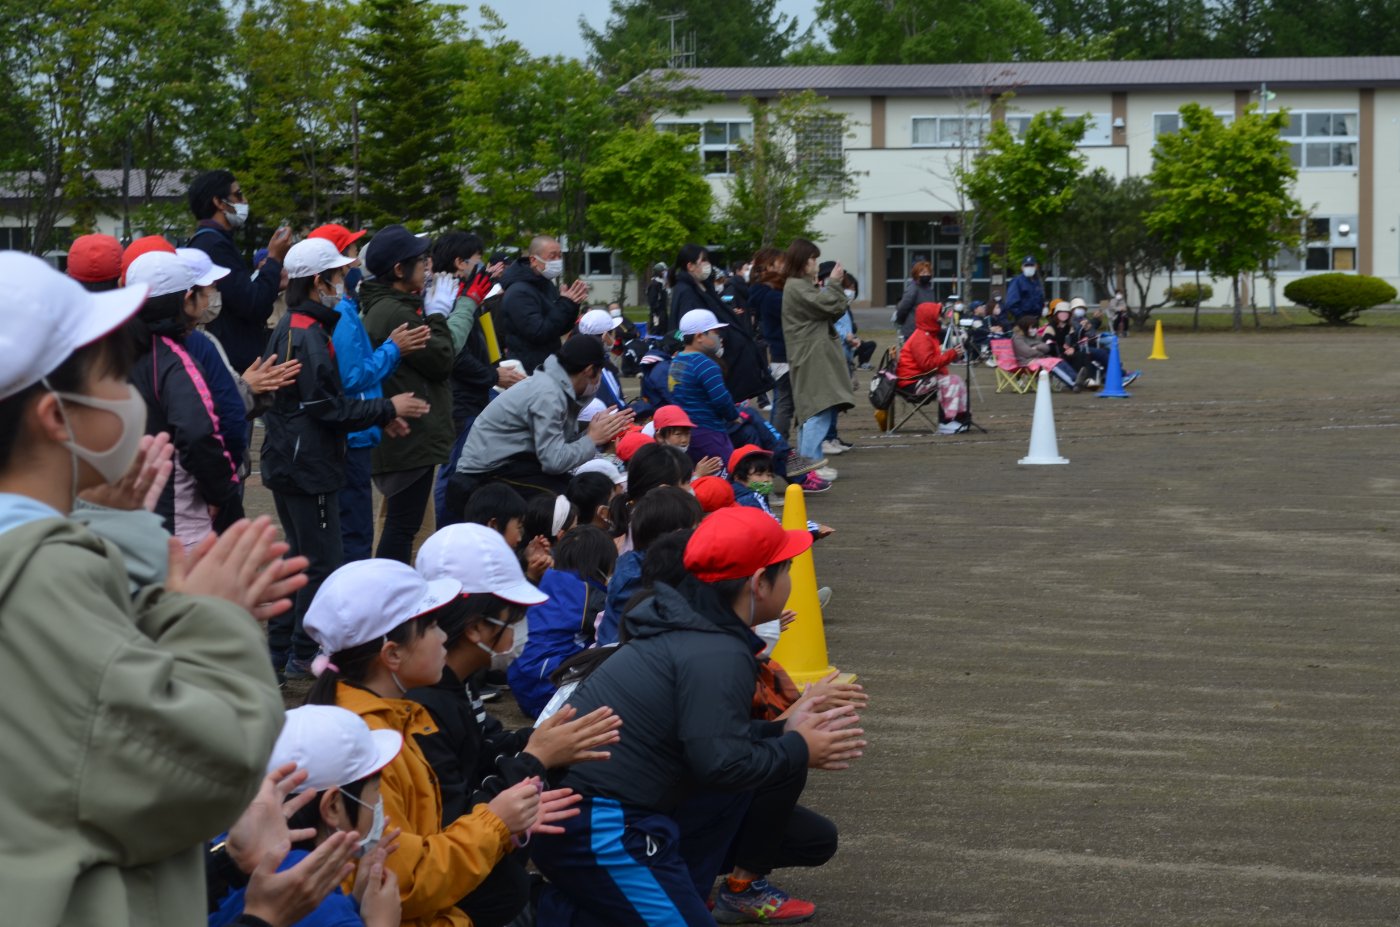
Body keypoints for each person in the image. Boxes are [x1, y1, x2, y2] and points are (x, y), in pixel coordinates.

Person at [0, 251, 299, 926]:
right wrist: (213, 617)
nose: (133, 395)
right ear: (56, 417)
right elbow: (206, 767)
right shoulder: (39, 576)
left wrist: (115, 525)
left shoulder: (47, 554)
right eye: (114, 376)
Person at [529, 508, 866, 926]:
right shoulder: (716, 650)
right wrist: (799, 745)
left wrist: (783, 729)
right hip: (600, 826)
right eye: (787, 570)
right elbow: (722, 764)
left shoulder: (693, 628)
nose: (791, 581)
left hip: (590, 816)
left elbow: (711, 740)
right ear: (759, 583)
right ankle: (531, 912)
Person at [304, 558, 578, 927]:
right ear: (392, 654)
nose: (444, 636)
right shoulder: (366, 745)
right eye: (430, 626)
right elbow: (404, 880)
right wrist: (496, 823)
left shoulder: (395, 714)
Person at [410, 524, 621, 927]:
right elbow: (448, 820)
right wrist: (535, 758)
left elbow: (480, 746)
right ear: (475, 627)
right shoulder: (424, 704)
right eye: (515, 616)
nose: (522, 628)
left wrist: (540, 739)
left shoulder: (456, 682)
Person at [261, 237, 429, 678]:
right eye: (337, 276)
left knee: (301, 557)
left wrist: (378, 416)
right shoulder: (310, 334)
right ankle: (297, 652)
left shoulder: (295, 325)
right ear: (318, 283)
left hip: (293, 462)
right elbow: (328, 408)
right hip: (309, 471)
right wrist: (388, 407)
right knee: (321, 560)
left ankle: (281, 652)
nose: (344, 282)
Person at [208, 705, 405, 927]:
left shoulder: (228, 852)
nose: (379, 803)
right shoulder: (318, 903)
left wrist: (354, 903)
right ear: (333, 807)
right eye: (376, 791)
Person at [308, 224, 432, 562]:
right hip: (352, 439)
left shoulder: (344, 307)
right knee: (355, 535)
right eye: (349, 252)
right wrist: (393, 349)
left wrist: (382, 413)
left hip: (359, 430)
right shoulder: (341, 313)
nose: (354, 260)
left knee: (353, 531)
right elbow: (351, 376)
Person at [124, 250, 245, 545]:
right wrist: (221, 491)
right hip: (176, 518)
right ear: (188, 299)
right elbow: (197, 432)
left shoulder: (112, 351)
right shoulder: (174, 361)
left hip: (124, 513)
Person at [356, 225, 454, 563]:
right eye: (421, 260)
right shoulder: (395, 312)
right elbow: (442, 360)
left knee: (402, 522)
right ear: (399, 270)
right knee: (402, 526)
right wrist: (439, 314)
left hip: (406, 436)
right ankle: (390, 592)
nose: (427, 267)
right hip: (409, 435)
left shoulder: (388, 306)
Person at [452, 336, 633, 501]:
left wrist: (589, 430)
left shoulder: (558, 386)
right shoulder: (549, 394)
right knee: (565, 503)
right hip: (486, 472)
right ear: (588, 370)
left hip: (516, 462)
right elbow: (554, 461)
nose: (599, 380)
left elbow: (556, 447)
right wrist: (592, 438)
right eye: (600, 372)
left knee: (579, 490)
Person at [430, 232, 523, 527]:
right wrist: (493, 374)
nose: (483, 268)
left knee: (468, 469)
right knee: (456, 471)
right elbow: (453, 355)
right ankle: (448, 531)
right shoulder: (449, 300)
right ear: (460, 263)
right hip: (459, 401)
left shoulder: (472, 295)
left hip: (475, 396)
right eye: (477, 261)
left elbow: (484, 342)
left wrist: (496, 366)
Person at [186, 169, 293, 373]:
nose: (244, 200)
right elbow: (252, 304)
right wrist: (274, 259)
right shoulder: (214, 245)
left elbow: (238, 295)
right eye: (238, 194)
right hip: (236, 364)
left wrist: (270, 280)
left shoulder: (210, 242)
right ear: (219, 202)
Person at [509, 525, 618, 718]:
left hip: (522, 685)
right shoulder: (587, 593)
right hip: (550, 691)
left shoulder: (544, 579)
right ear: (601, 564)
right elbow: (612, 629)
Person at [782, 239, 854, 485]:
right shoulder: (797, 287)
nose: (816, 263)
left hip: (811, 354)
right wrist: (834, 283)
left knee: (813, 409)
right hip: (811, 355)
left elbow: (832, 308)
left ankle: (809, 464)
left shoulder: (799, 286)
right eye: (813, 258)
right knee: (817, 409)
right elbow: (832, 305)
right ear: (803, 262)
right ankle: (810, 465)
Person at [667, 244, 771, 404]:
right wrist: (717, 345)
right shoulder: (687, 291)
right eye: (703, 261)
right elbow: (688, 329)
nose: (707, 265)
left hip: (729, 363)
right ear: (690, 266)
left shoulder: (703, 287)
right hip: (717, 361)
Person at [497, 235, 586, 374]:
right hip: (529, 370)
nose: (558, 261)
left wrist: (572, 305)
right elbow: (539, 332)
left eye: (560, 256)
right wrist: (565, 304)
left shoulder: (545, 285)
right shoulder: (519, 292)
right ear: (533, 260)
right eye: (552, 256)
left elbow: (557, 329)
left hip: (548, 364)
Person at [667, 308, 739, 471]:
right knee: (727, 471)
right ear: (699, 336)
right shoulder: (706, 364)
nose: (719, 336)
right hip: (709, 430)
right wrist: (734, 416)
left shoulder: (677, 361)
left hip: (687, 430)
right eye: (714, 331)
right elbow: (721, 398)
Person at [897, 301, 969, 433]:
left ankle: (959, 418)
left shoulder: (928, 335)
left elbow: (930, 364)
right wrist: (952, 354)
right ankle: (946, 422)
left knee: (956, 380)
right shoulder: (921, 338)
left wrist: (950, 355)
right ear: (929, 318)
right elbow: (928, 364)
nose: (942, 318)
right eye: (939, 315)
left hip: (918, 379)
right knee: (951, 381)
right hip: (912, 383)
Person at [575, 308, 627, 407]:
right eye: (612, 332)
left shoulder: (578, 356)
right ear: (604, 336)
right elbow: (618, 406)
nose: (614, 337)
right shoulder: (602, 367)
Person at [1011, 314, 1078, 389]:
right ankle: (1072, 384)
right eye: (1032, 327)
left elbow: (1047, 347)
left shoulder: (1036, 336)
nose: (1035, 329)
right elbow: (1027, 352)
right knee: (1052, 365)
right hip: (1026, 362)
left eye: (1035, 327)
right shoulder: (1018, 338)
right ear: (1025, 327)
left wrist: (1036, 347)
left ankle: (1076, 378)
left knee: (1059, 360)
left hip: (1039, 359)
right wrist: (1040, 352)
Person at [893, 260, 936, 340]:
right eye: (923, 273)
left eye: (928, 272)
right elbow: (903, 307)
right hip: (913, 330)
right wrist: (900, 321)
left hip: (927, 329)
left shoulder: (930, 289)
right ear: (916, 274)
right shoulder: (913, 288)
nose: (926, 275)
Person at [1004, 256, 1046, 322]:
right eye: (1026, 265)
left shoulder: (1037, 282)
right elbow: (1011, 303)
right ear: (1022, 268)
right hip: (1022, 320)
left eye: (1031, 265)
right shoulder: (1017, 281)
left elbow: (1040, 299)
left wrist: (1042, 310)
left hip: (1035, 319)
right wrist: (1021, 317)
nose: (1029, 267)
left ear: (1036, 266)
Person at [645, 261, 669, 333]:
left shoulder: (661, 283)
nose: (665, 273)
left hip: (662, 313)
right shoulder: (654, 285)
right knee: (656, 331)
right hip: (657, 315)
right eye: (664, 271)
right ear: (659, 272)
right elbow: (652, 302)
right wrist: (656, 315)